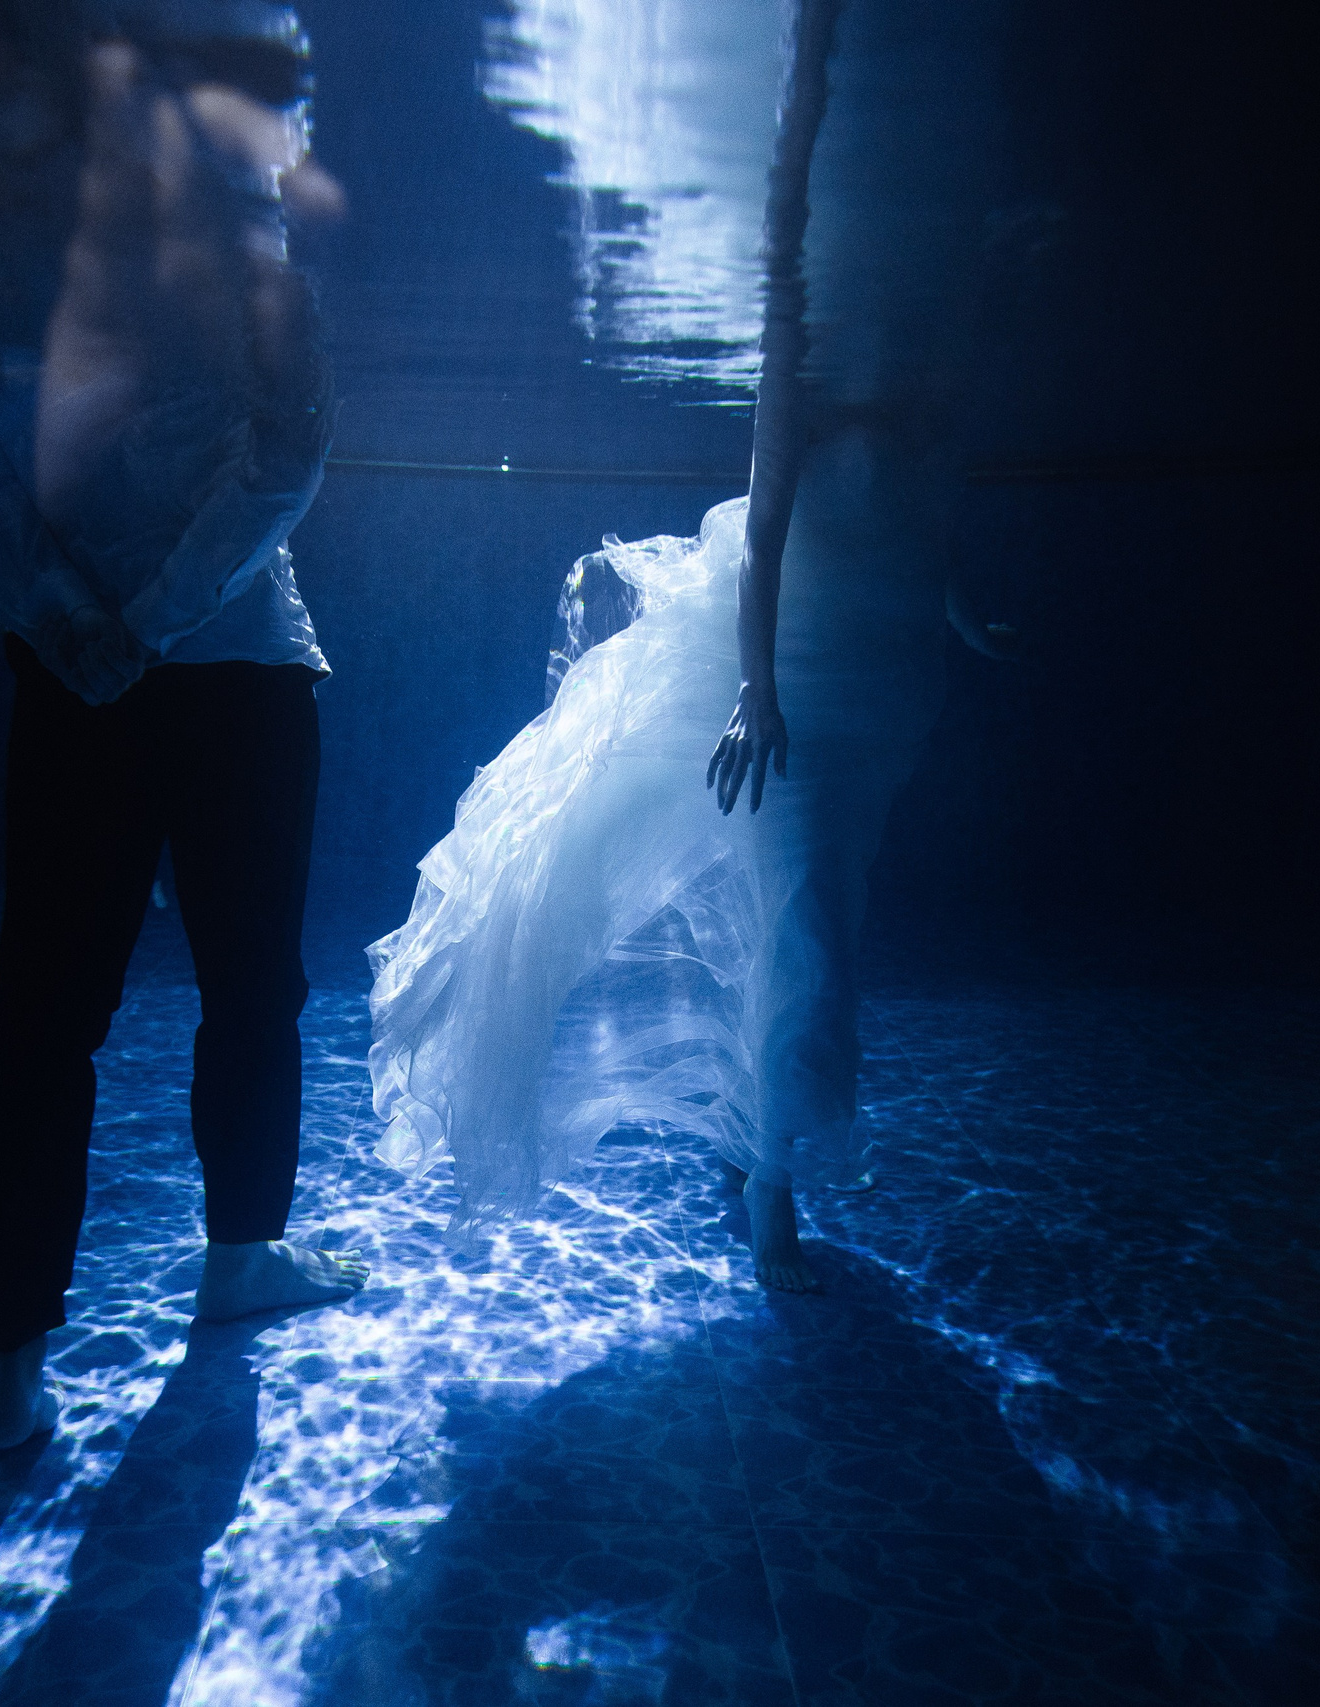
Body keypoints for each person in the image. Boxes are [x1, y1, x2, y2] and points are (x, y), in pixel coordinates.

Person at [365, 0, 1005, 1292]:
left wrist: (955, 608)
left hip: (880, 678)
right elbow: (767, 525)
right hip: (785, 678)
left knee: (808, 922)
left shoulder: (932, 344)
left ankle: (747, 1141)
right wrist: (756, 690)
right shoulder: (802, 323)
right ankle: (773, 1194)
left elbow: (920, 511)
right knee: (811, 936)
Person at [0, 0, 365, 1451]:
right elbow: (291, 448)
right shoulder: (235, 210)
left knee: (53, 1008)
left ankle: (14, 1364)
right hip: (223, 658)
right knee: (232, 983)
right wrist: (140, 620)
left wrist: (77, 618)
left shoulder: (9, 206)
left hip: (103, 656)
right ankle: (232, 1261)